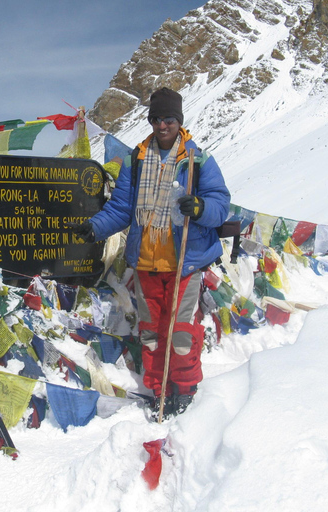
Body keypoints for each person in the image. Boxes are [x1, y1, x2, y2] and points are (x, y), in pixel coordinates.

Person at [72, 87, 230, 421]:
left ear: (179, 121)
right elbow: (121, 208)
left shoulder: (197, 160)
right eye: (156, 119)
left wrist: (200, 207)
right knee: (152, 336)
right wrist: (95, 228)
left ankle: (184, 391)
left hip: (184, 263)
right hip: (145, 264)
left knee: (182, 334)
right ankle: (159, 392)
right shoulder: (136, 159)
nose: (162, 125)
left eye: (169, 119)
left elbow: (221, 205)